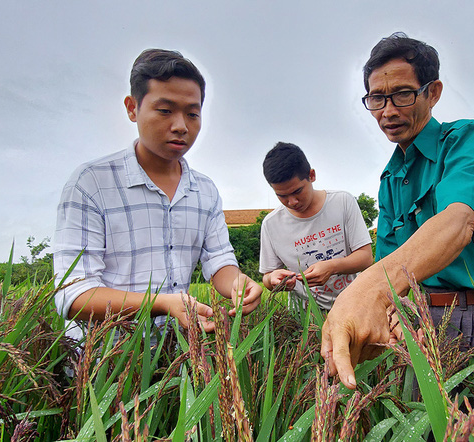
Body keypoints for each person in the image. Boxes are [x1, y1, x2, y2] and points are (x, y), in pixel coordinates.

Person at [321, 33, 474, 389]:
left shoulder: (470, 141)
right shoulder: (390, 177)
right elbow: (391, 264)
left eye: (403, 94)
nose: (388, 111)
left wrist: (367, 290)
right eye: (377, 99)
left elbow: (458, 222)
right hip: (421, 323)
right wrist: (392, 312)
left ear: (432, 92)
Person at [53, 49, 262, 341]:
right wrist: (161, 303)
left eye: (192, 113)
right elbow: (73, 295)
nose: (180, 126)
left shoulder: (205, 191)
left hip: (178, 355)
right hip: (103, 366)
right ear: (132, 108)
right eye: (165, 111)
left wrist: (239, 283)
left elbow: (218, 260)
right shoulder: (91, 184)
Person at [259, 142, 373, 311]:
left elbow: (366, 257)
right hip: (304, 315)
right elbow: (268, 276)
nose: (292, 202)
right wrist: (273, 280)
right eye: (282, 196)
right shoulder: (271, 224)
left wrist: (332, 267)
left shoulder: (342, 202)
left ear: (311, 176)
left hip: (353, 305)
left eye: (297, 191)